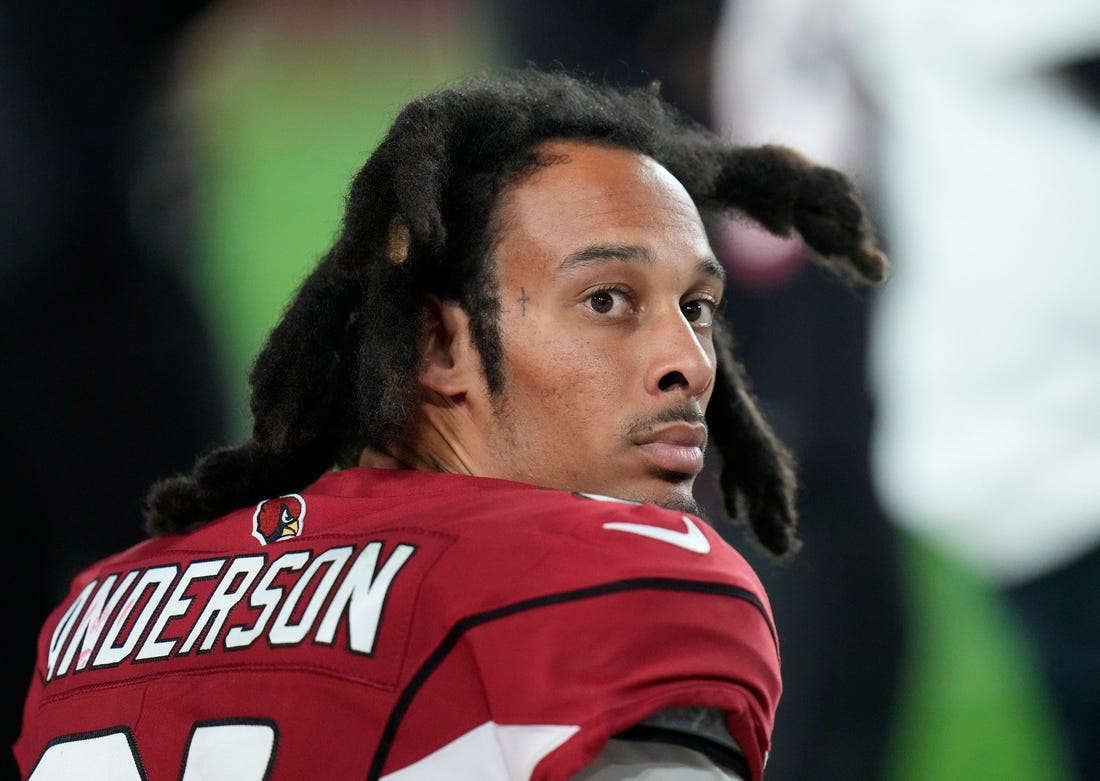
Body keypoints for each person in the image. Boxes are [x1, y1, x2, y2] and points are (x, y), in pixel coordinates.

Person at [14, 68, 886, 781]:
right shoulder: (612, 589)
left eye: (697, 306)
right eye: (608, 300)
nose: (690, 363)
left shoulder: (99, 611)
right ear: (439, 344)